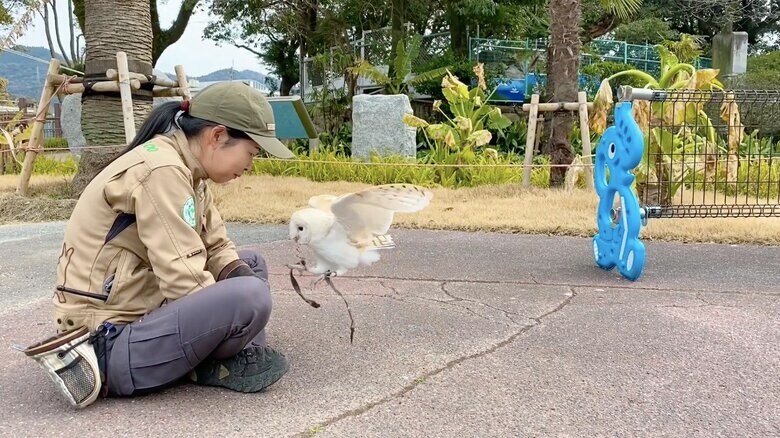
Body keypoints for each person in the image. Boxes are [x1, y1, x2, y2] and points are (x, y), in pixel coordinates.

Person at [23, 81, 296, 408]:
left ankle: (225, 357)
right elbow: (185, 279)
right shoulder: (163, 170)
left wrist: (238, 286)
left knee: (250, 266)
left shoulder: (190, 172)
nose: (251, 164)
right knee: (250, 296)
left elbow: (217, 247)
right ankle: (219, 358)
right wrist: (236, 314)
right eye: (251, 152)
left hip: (142, 311)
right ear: (217, 136)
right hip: (105, 341)